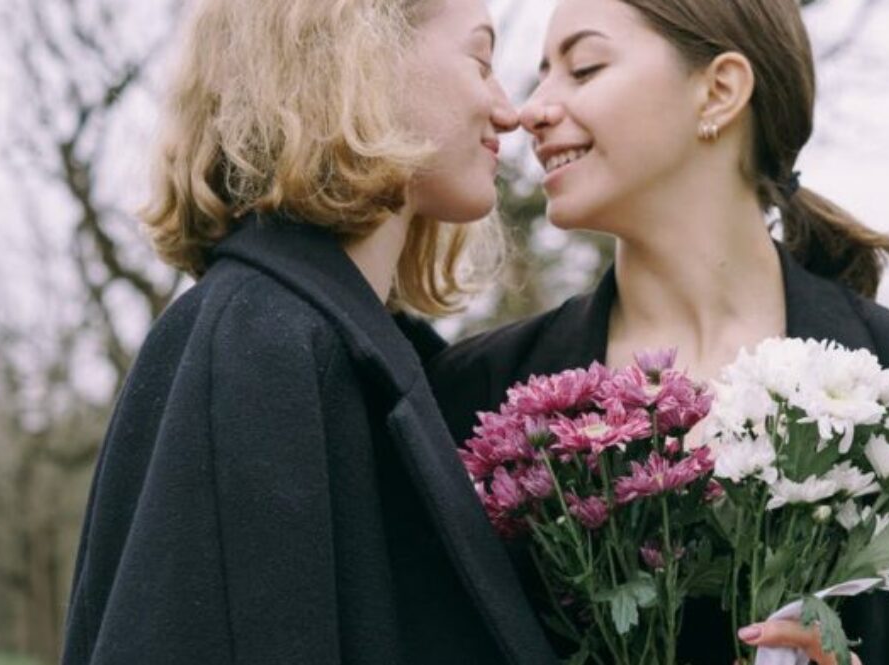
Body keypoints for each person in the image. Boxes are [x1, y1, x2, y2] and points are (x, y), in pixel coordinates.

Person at [427, 0, 889, 664]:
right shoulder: (477, 401)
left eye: (583, 68)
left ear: (720, 90)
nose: (531, 109)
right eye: (540, 73)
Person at [60, 0, 561, 663]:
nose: (509, 109)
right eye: (480, 60)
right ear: (364, 60)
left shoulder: (330, 347)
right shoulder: (259, 347)